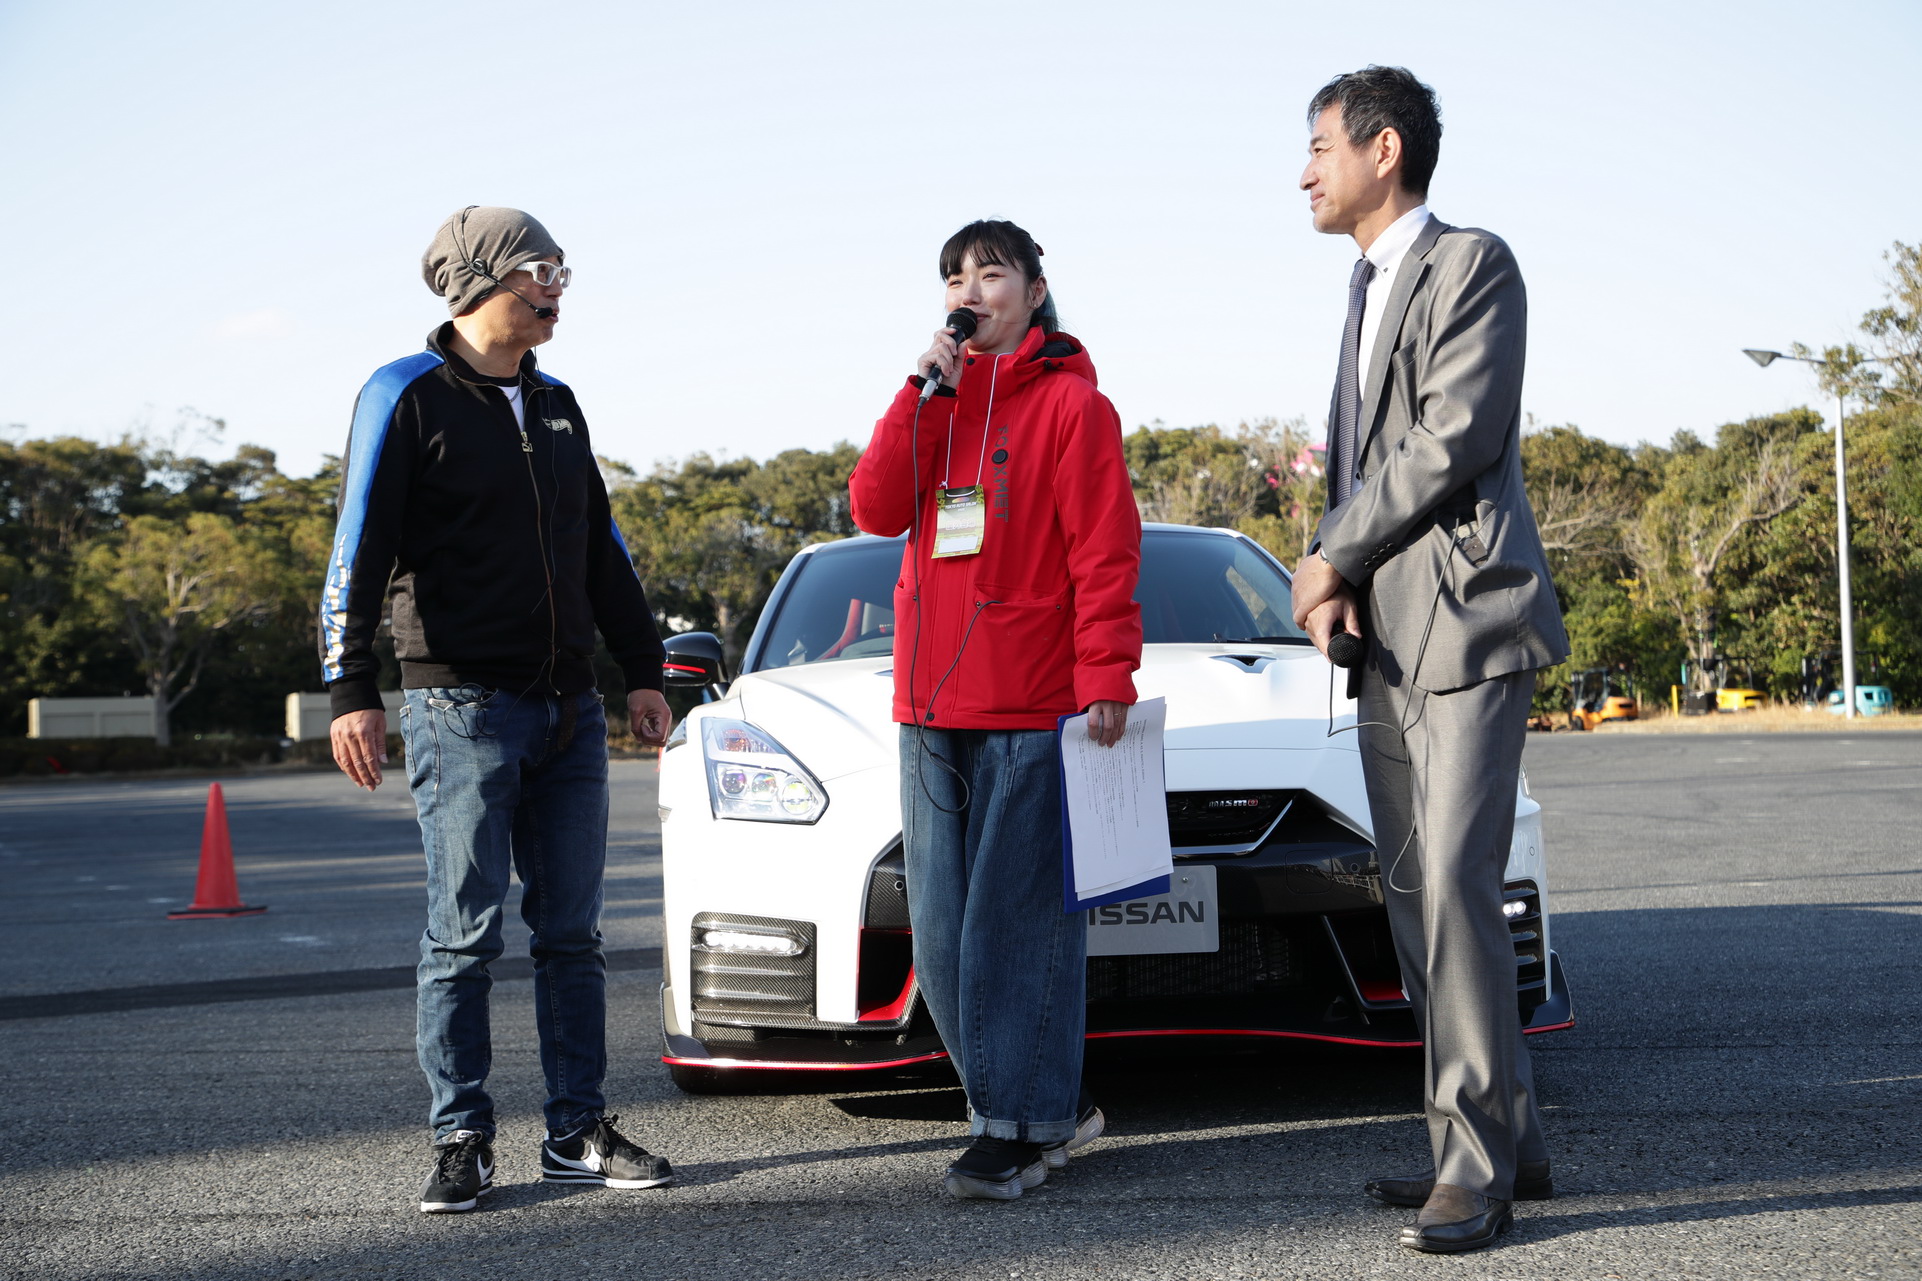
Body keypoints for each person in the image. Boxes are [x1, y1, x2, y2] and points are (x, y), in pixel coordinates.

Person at [321, 206, 676, 1214]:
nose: (558, 284)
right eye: (540, 267)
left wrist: (641, 666)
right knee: (463, 933)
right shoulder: (404, 395)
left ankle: (575, 1132)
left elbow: (597, 546)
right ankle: (461, 1138)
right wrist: (350, 687)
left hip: (569, 707)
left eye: (561, 267)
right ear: (478, 279)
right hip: (461, 704)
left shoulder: (559, 403)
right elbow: (358, 544)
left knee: (571, 934)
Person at [1287, 69, 1571, 1254]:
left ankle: (1473, 1169)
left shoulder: (1469, 264)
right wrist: (1338, 583)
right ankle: (1502, 1143)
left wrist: (1322, 553)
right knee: (1411, 896)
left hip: (1462, 622)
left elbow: (1449, 436)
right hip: (1384, 639)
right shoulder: (1359, 292)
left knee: (1455, 888)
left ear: (1382, 149)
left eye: (1316, 146)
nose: (1302, 171)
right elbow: (1360, 459)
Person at [847, 219, 1141, 1200]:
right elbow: (873, 508)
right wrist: (914, 387)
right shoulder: (932, 402)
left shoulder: (1071, 407)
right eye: (954, 277)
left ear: (1032, 288)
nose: (969, 289)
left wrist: (1105, 675)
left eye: (990, 272)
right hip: (928, 704)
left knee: (1014, 928)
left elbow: (1103, 553)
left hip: (1030, 703)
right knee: (939, 935)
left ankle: (1011, 1127)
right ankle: (1047, 1103)